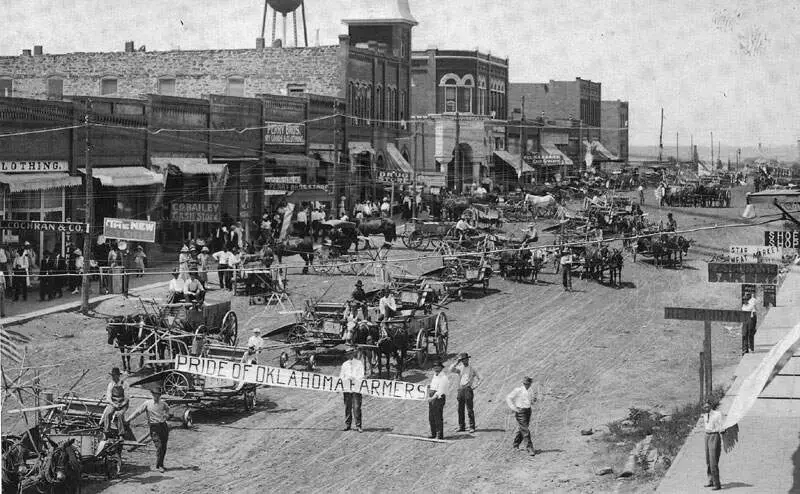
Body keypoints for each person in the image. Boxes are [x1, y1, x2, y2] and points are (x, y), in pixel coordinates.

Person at [126, 387, 172, 473]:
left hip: (163, 426)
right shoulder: (147, 403)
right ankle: (159, 466)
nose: (157, 396)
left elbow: (168, 410)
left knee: (164, 447)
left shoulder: (163, 404)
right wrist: (128, 420)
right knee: (159, 446)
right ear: (152, 395)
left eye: (158, 395)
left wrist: (166, 415)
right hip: (154, 427)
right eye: (155, 394)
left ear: (160, 395)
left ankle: (161, 464)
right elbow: (137, 412)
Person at [506, 377, 538, 455]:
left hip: (528, 410)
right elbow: (508, 398)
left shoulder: (531, 390)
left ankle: (516, 444)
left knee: (523, 428)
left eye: (529, 384)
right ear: (524, 383)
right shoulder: (518, 390)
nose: (527, 385)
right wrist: (514, 408)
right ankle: (529, 448)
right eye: (526, 384)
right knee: (525, 430)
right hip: (520, 412)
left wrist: (533, 400)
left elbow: (531, 401)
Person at [449, 353, 481, 433]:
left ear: (468, 359)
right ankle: (461, 426)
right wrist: (457, 362)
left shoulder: (472, 368)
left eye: (465, 359)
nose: (464, 361)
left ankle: (472, 426)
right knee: (460, 409)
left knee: (469, 409)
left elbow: (480, 378)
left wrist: (475, 386)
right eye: (462, 360)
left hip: (468, 389)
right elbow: (451, 369)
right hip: (460, 389)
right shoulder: (460, 368)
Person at [339, 349, 365, 432]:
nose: (349, 355)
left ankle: (358, 425)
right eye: (348, 354)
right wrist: (346, 379)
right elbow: (341, 376)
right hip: (347, 389)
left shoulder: (359, 363)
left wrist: (354, 378)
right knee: (347, 407)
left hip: (356, 389)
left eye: (350, 354)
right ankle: (348, 424)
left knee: (357, 407)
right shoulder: (344, 365)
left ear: (353, 354)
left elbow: (361, 375)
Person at [101, 367, 129, 434]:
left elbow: (127, 398)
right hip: (114, 403)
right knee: (107, 414)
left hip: (123, 404)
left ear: (118, 376)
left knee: (119, 415)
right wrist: (114, 405)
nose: (113, 377)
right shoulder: (111, 384)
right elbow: (108, 398)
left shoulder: (124, 384)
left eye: (114, 375)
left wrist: (121, 404)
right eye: (112, 376)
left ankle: (121, 434)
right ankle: (106, 432)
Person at [702, 400, 724, 490]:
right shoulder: (704, 415)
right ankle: (710, 480)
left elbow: (721, 425)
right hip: (707, 436)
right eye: (704, 407)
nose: (706, 408)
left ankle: (717, 483)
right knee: (708, 460)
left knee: (713, 460)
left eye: (708, 406)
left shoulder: (717, 414)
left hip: (714, 436)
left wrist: (722, 430)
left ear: (711, 406)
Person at [427, 360, 449, 440]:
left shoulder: (443, 377)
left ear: (441, 367)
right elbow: (434, 386)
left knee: (438, 417)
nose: (436, 368)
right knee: (431, 417)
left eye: (437, 366)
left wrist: (432, 398)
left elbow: (440, 390)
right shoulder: (435, 376)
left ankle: (439, 435)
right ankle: (433, 433)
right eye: (434, 367)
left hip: (438, 399)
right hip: (432, 398)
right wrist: (429, 387)